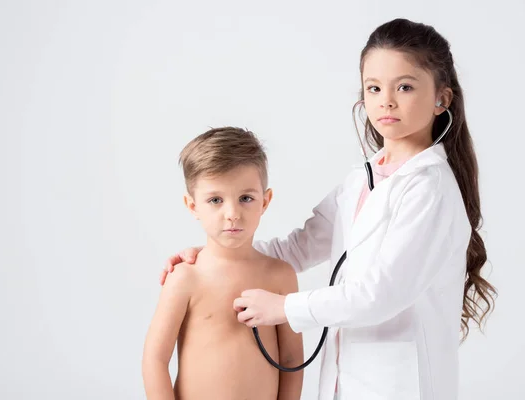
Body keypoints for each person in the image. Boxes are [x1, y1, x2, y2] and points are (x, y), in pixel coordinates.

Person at [159, 18, 497, 400]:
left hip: (402, 384)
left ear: (442, 99)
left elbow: (380, 294)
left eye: (404, 86)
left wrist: (285, 308)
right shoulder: (363, 180)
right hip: (346, 380)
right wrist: (215, 256)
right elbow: (298, 248)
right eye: (374, 88)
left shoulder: (430, 188)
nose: (386, 99)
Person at [142, 127, 304, 400]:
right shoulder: (185, 277)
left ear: (265, 201)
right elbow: (155, 359)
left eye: (246, 198)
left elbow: (290, 360)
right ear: (192, 206)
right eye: (215, 200)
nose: (232, 214)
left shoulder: (280, 276)